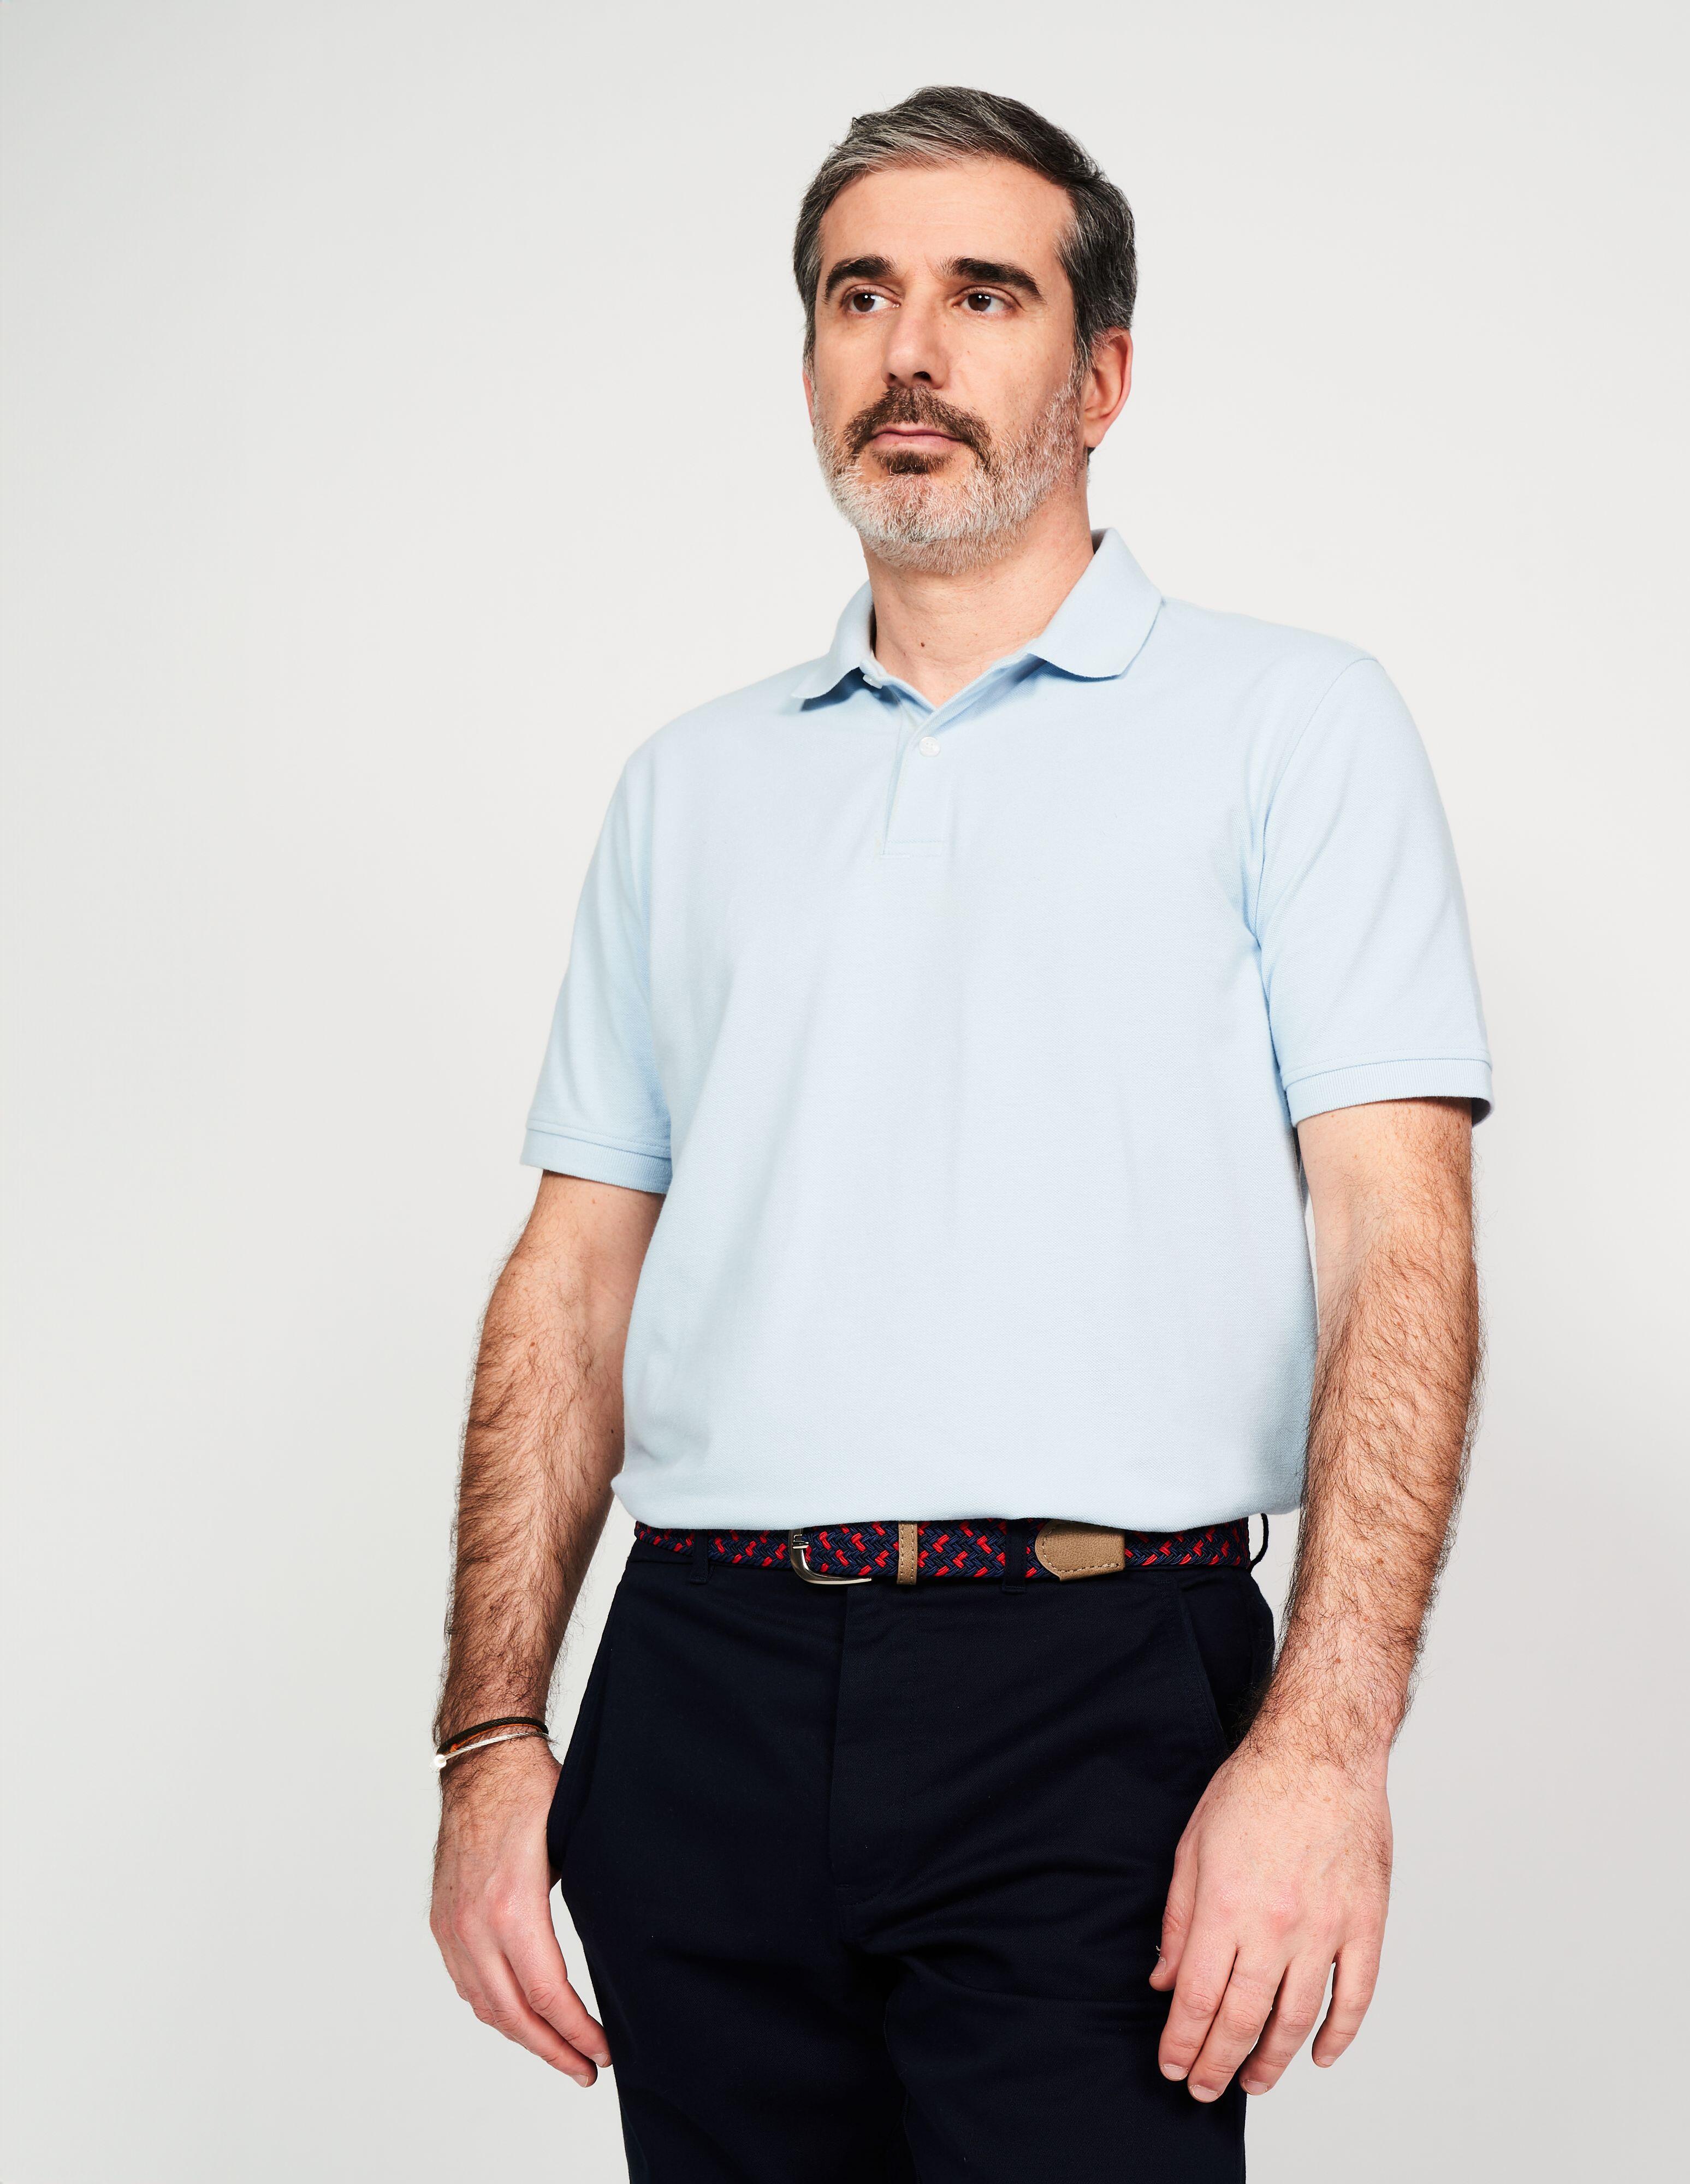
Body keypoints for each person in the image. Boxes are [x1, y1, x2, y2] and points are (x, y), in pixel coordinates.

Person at [429, 84, 1491, 2182]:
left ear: (1100, 378)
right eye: (860, 297)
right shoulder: (689, 787)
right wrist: (488, 1736)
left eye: (983, 296)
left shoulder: (1291, 727)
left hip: (1098, 1694)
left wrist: (1326, 1747)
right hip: (704, 1684)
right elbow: (572, 1276)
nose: (908, 351)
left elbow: (1403, 1243)